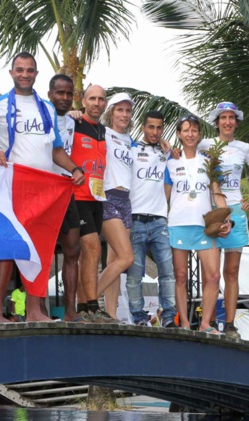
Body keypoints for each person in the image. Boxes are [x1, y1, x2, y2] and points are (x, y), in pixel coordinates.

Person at [0, 52, 84, 322]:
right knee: (9, 247)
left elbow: (55, 150)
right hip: (13, 185)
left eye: (30, 70)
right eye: (19, 69)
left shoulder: (47, 107)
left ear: (36, 74)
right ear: (11, 72)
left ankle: (33, 311)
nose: (24, 74)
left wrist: (75, 169)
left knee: (39, 249)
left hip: (45, 189)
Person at [198, 102, 249, 339]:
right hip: (213, 212)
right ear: (216, 122)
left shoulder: (243, 147)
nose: (227, 122)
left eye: (231, 118)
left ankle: (229, 324)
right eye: (223, 118)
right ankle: (209, 321)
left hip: (235, 209)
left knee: (232, 271)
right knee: (211, 272)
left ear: (236, 122)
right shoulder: (205, 144)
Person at [164, 115, 231, 333]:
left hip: (204, 225)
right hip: (178, 223)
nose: (190, 134)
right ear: (179, 134)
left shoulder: (210, 161)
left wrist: (225, 219)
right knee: (180, 276)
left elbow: (217, 192)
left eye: (194, 130)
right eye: (185, 130)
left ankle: (204, 324)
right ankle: (184, 323)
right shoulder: (170, 161)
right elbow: (164, 196)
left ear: (199, 134)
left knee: (213, 275)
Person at [126, 111, 176, 327]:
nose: (155, 132)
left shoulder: (168, 153)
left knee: (167, 273)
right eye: (151, 127)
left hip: (159, 222)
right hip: (135, 219)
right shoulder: (132, 148)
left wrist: (162, 208)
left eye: (159, 128)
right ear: (143, 127)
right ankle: (138, 317)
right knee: (134, 276)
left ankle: (168, 317)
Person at [71, 85, 116, 323]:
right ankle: (92, 305)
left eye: (101, 99)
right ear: (84, 101)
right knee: (92, 248)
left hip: (97, 198)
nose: (97, 103)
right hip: (77, 196)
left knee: (88, 254)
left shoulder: (104, 131)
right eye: (92, 99)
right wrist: (69, 114)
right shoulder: (74, 124)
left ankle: (84, 307)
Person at [95, 93, 136, 319]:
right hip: (107, 196)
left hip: (126, 200)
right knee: (126, 258)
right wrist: (73, 114)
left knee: (115, 263)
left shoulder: (131, 141)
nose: (124, 114)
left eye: (127, 111)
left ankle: (110, 314)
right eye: (119, 110)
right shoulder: (102, 133)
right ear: (111, 112)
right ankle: (87, 301)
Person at [48, 74, 82, 322]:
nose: (64, 98)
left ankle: (70, 310)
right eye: (60, 92)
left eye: (69, 93)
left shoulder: (72, 121)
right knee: (41, 251)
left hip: (67, 189)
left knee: (72, 251)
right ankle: (37, 310)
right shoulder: (41, 114)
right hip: (44, 188)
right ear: (50, 94)